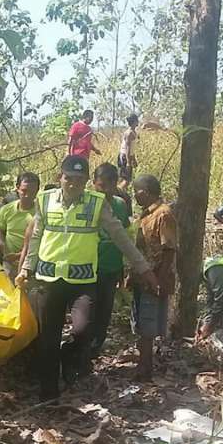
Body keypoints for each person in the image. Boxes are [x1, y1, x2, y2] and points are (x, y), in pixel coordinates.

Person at [16, 155, 158, 401]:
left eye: (80, 180)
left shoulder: (96, 203)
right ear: (60, 177)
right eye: (69, 179)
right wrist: (27, 268)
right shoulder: (45, 200)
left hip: (82, 281)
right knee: (48, 338)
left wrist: (143, 268)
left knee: (82, 331)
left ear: (86, 182)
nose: (73, 184)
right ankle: (49, 392)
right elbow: (36, 236)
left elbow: (119, 236)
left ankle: (69, 361)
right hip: (49, 281)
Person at [130, 174, 176, 380]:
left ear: (145, 192)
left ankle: (145, 369)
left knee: (148, 325)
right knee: (140, 323)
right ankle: (143, 364)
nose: (134, 197)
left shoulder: (163, 214)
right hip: (142, 277)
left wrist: (159, 279)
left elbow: (169, 249)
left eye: (136, 192)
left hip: (154, 277)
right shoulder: (145, 214)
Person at [89, 163, 131, 356]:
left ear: (116, 184)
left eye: (109, 186)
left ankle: (95, 348)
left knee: (105, 310)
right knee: (87, 311)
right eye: (101, 185)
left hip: (111, 267)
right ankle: (83, 350)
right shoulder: (86, 203)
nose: (105, 190)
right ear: (93, 183)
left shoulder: (121, 205)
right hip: (87, 267)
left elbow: (123, 236)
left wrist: (122, 267)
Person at [0, 173, 40, 279]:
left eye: (32, 192)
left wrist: (19, 255)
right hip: (8, 263)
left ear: (37, 191)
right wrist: (1, 243)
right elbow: (0, 230)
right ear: (17, 188)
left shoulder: (41, 212)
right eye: (24, 191)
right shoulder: (6, 210)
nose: (27, 195)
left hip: (31, 264)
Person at [118, 114, 139, 186]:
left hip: (127, 156)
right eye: (137, 120)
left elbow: (132, 148)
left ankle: (121, 192)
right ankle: (119, 193)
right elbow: (127, 148)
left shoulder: (133, 132)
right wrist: (128, 162)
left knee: (125, 179)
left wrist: (134, 159)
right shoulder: (129, 133)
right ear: (134, 121)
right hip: (124, 157)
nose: (138, 121)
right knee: (126, 180)